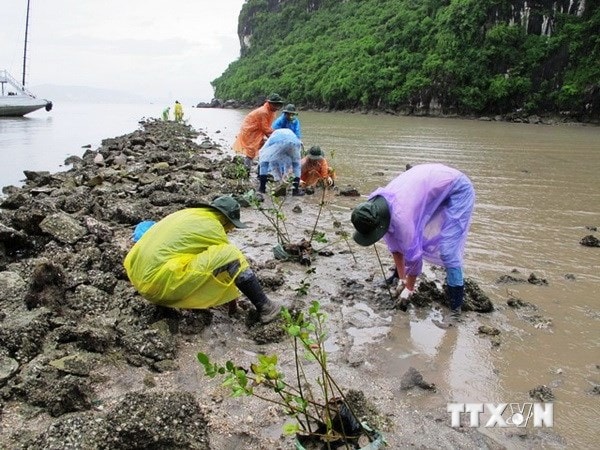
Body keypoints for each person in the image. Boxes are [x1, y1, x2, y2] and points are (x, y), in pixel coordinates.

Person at [350, 163, 475, 327]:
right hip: (430, 184)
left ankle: (456, 310)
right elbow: (393, 243)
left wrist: (409, 288)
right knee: (400, 237)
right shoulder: (372, 206)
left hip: (457, 188)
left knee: (448, 251)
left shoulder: (402, 219)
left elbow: (414, 257)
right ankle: (397, 277)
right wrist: (402, 278)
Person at [123, 196, 281, 324]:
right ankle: (265, 307)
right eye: (231, 227)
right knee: (231, 254)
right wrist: (233, 306)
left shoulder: (188, 214)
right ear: (226, 221)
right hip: (157, 287)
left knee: (202, 259)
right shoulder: (213, 226)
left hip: (138, 279)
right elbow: (231, 265)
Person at [233, 93, 284, 172]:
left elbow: (267, 127)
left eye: (278, 105)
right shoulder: (263, 112)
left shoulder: (271, 111)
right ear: (269, 103)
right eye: (275, 105)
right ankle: (246, 171)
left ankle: (260, 170)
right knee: (251, 151)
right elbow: (265, 129)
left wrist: (272, 137)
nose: (277, 107)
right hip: (250, 130)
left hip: (258, 130)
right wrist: (277, 136)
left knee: (264, 148)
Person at [258, 128, 304, 196]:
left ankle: (262, 188)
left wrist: (260, 169)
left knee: (264, 162)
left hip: (278, 142)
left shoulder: (272, 137)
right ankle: (295, 191)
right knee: (296, 165)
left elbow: (264, 158)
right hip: (295, 142)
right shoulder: (288, 133)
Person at [272, 104, 302, 180]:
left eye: (292, 114)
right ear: (286, 113)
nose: (290, 116)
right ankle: (279, 176)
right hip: (280, 142)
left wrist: (298, 141)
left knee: (290, 160)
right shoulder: (279, 121)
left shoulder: (295, 121)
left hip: (291, 142)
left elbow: (297, 132)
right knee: (279, 159)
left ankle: (287, 175)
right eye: (289, 114)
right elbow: (275, 133)